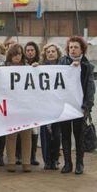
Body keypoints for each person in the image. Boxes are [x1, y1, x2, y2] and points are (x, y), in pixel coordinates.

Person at [59, 36, 95, 175]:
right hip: (65, 106)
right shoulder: (62, 63)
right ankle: (68, 163)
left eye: (75, 47)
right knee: (65, 135)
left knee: (79, 136)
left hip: (80, 107)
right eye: (70, 47)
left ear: (82, 50)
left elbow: (90, 88)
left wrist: (87, 106)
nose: (72, 50)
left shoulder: (87, 66)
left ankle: (80, 163)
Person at [4, 44, 32, 172]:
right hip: (10, 107)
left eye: (20, 54)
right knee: (11, 135)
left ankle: (26, 162)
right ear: (10, 55)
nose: (17, 56)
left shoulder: (28, 69)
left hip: (26, 106)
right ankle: (11, 161)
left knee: (26, 135)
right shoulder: (3, 69)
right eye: (15, 54)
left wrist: (36, 69)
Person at [39, 43, 63, 170]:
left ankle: (55, 159)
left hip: (58, 106)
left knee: (57, 134)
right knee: (45, 134)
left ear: (57, 53)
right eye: (48, 52)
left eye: (53, 51)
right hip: (45, 106)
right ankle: (47, 160)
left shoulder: (64, 67)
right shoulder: (41, 67)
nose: (51, 53)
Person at [24, 41, 41, 166]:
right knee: (22, 129)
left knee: (34, 130)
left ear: (35, 52)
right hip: (23, 103)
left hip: (35, 102)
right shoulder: (20, 65)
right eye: (28, 50)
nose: (30, 52)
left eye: (32, 50)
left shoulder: (41, 64)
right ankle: (20, 156)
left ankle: (32, 156)